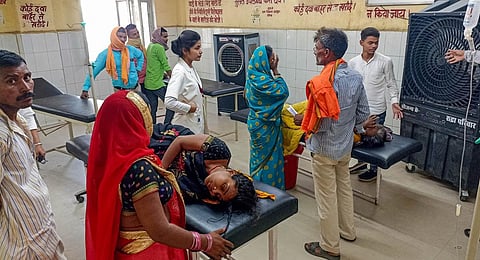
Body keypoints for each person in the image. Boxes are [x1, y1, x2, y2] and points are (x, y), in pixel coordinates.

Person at [85, 90, 233, 260]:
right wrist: (205, 242)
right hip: (151, 252)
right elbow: (160, 231)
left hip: (126, 247)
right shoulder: (140, 169)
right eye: (145, 114)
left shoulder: (111, 158)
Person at [302, 28, 370, 260]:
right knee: (344, 189)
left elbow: (319, 123)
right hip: (344, 148)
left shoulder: (322, 83)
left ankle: (330, 246)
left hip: (323, 150)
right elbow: (363, 116)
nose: (315, 51)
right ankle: (348, 231)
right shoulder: (355, 77)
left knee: (326, 198)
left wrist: (303, 120)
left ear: (327, 52)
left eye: (317, 48)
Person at [0, 49, 66, 259]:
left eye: (27, 77)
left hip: (40, 227)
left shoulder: (16, 120)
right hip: (22, 242)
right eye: (12, 81)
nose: (25, 87)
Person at [149, 124, 257, 211]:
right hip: (164, 140)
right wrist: (161, 171)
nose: (214, 190)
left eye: (218, 196)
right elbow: (180, 142)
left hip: (151, 163)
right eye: (223, 187)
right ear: (231, 172)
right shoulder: (218, 151)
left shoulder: (200, 190)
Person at [349, 27, 403, 182]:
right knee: (359, 138)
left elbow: (391, 83)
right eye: (370, 43)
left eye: (376, 43)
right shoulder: (353, 63)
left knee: (374, 142)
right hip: (358, 110)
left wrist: (394, 102)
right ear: (362, 42)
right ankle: (361, 164)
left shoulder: (385, 61)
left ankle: (373, 171)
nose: (373, 46)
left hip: (377, 109)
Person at [245, 45, 289, 189]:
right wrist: (276, 71)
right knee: (269, 159)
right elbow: (283, 92)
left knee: (257, 157)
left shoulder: (251, 75)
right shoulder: (266, 81)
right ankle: (268, 188)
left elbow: (246, 96)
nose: (274, 61)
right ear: (267, 61)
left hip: (254, 122)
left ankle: (256, 184)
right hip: (267, 126)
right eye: (272, 59)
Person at [80, 26, 144, 99]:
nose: (123, 39)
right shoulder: (106, 54)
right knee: (121, 110)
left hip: (135, 89)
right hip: (120, 91)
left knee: (136, 110)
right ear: (114, 37)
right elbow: (93, 72)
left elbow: (140, 55)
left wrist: (138, 68)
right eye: (120, 36)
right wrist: (85, 88)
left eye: (125, 37)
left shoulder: (130, 49)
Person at [165, 30, 204, 134]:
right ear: (185, 51)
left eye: (200, 47)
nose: (201, 51)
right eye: (197, 48)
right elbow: (169, 102)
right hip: (185, 126)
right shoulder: (180, 71)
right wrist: (189, 108)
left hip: (194, 122)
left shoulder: (189, 67)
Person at [144, 27, 174, 124]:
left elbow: (153, 63)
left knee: (153, 109)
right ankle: (166, 126)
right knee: (171, 106)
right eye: (164, 37)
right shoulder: (159, 47)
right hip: (157, 84)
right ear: (158, 36)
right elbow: (165, 65)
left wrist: (163, 74)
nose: (166, 39)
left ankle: (152, 129)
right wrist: (173, 78)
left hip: (148, 83)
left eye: (167, 36)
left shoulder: (150, 46)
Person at [126, 23, 147, 89]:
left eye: (137, 32)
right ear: (128, 37)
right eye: (134, 34)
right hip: (137, 81)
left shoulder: (140, 46)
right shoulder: (128, 49)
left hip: (145, 79)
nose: (137, 35)